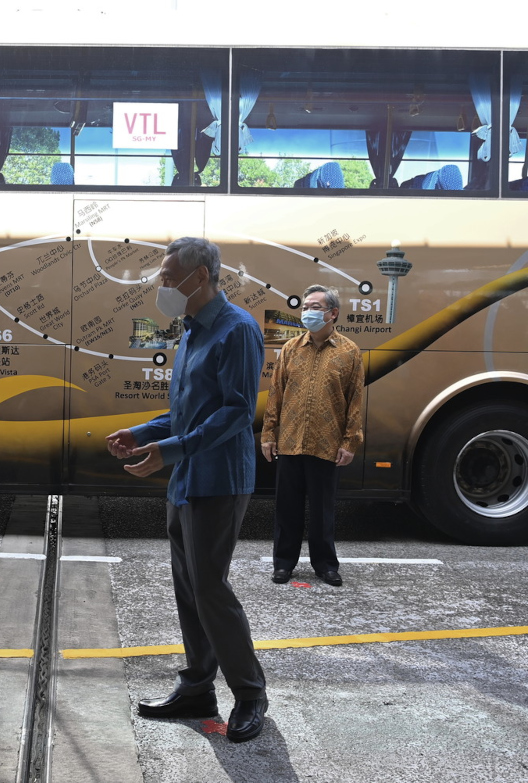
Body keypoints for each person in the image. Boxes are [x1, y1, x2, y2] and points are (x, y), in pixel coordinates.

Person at [106, 237, 269, 743]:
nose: (162, 284)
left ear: (202, 276)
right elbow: (187, 410)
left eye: (170, 275)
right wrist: (145, 433)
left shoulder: (237, 330)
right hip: (186, 479)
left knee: (210, 590)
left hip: (219, 481)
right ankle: (198, 686)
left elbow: (238, 411)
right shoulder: (192, 331)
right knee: (188, 588)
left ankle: (250, 692)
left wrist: (173, 449)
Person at [261, 284, 364, 587]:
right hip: (290, 441)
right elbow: (275, 393)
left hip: (326, 444)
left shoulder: (349, 352)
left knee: (323, 510)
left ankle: (325, 565)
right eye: (306, 307)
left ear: (333, 313)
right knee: (287, 508)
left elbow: (355, 400)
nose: (308, 312)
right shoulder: (291, 349)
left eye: (316, 307)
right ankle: (283, 564)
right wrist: (268, 434)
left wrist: (350, 441)